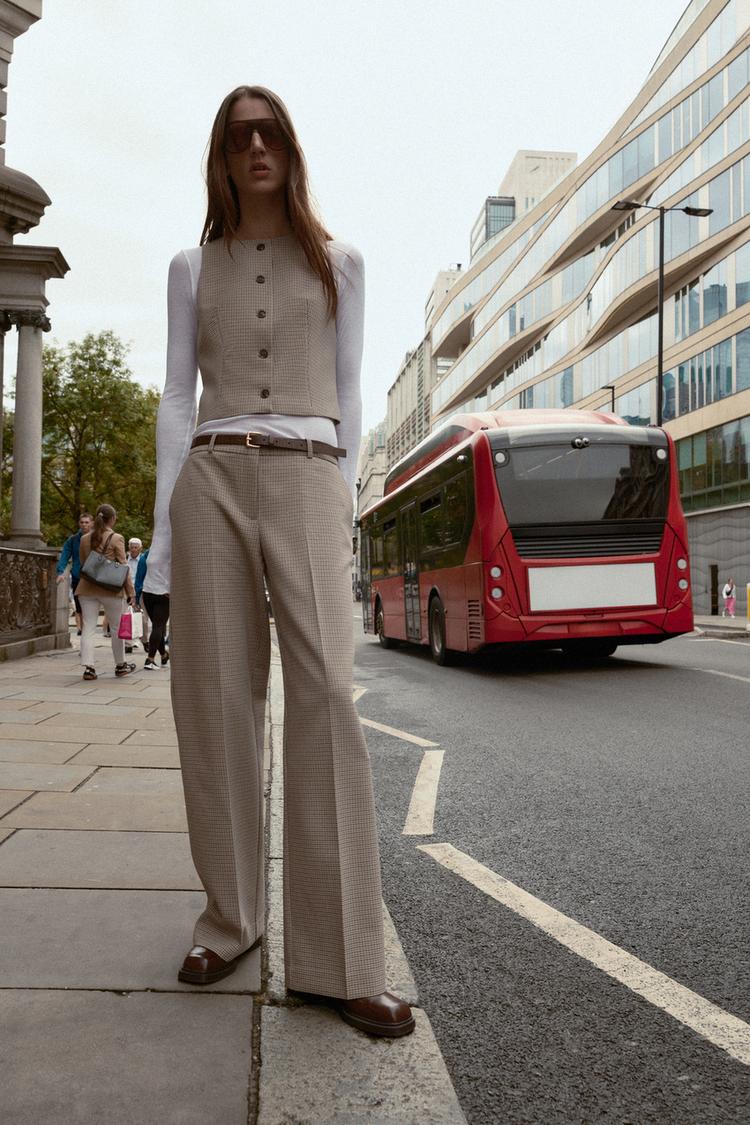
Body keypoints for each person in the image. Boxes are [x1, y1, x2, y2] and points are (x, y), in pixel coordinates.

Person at [144, 85, 413, 1038]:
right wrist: (164, 542)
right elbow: (178, 396)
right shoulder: (188, 265)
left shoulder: (341, 261)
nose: (256, 146)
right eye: (237, 135)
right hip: (212, 474)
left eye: (270, 132)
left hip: (306, 473)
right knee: (216, 698)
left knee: (329, 696)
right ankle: (232, 919)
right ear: (220, 156)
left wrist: (337, 491)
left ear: (291, 148)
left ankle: (337, 962)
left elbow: (347, 395)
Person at [77, 503, 136, 681]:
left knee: (88, 627)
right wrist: (131, 592)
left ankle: (89, 669)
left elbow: (83, 563)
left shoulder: (84, 538)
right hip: (111, 589)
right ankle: (120, 665)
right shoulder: (117, 538)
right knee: (117, 628)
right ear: (113, 519)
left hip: (87, 588)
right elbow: (124, 568)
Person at [56, 512, 93, 634]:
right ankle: (84, 634)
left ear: (91, 523)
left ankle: (88, 633)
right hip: (78, 578)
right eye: (82, 522)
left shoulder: (97, 537)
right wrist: (60, 572)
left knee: (91, 608)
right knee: (80, 608)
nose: (84, 525)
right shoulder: (73, 540)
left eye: (87, 522)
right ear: (79, 523)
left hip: (94, 579)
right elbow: (65, 555)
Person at [136, 548, 169, 670]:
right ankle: (150, 659)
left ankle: (164, 654)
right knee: (158, 627)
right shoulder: (169, 554)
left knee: (157, 626)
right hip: (164, 593)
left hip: (148, 593)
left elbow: (139, 576)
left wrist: (138, 594)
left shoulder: (146, 556)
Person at [126, 537, 150, 652]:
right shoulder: (124, 559)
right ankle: (128, 644)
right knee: (126, 618)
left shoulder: (144, 559)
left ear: (140, 548)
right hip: (126, 591)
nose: (134, 549)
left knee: (143, 619)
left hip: (140, 591)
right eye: (132, 547)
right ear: (129, 548)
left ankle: (145, 640)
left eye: (136, 547)